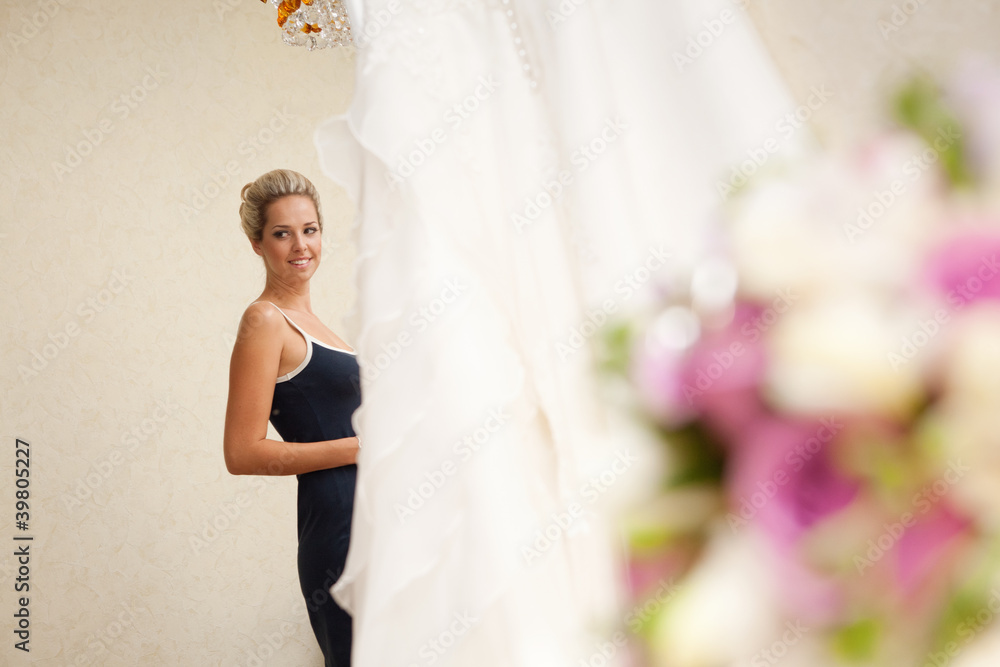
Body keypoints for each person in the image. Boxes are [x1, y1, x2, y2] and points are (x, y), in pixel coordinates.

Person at [223, 168, 360, 667]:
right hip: (340, 527)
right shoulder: (264, 320)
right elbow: (241, 453)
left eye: (310, 230)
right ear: (257, 244)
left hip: (378, 518)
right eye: (282, 233)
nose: (300, 245)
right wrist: (359, 448)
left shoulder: (322, 326)